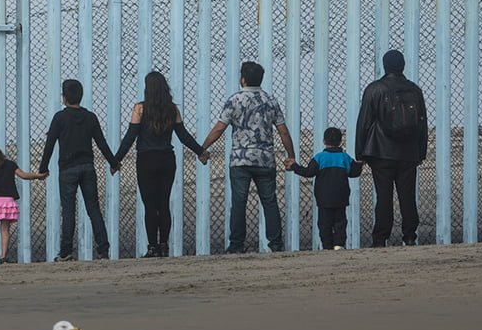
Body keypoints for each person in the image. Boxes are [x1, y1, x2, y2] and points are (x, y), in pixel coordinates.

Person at [198, 61, 297, 254]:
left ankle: (237, 244)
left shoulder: (234, 100)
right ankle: (275, 244)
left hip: (240, 160)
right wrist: (290, 155)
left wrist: (203, 148)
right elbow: (283, 131)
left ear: (243, 79)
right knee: (269, 201)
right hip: (265, 159)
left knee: (239, 202)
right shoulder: (270, 101)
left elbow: (220, 128)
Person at [110, 71, 209, 258]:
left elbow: (130, 137)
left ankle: (152, 247)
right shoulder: (172, 110)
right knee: (163, 203)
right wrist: (200, 152)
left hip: (146, 160)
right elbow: (183, 135)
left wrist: (116, 161)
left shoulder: (139, 109)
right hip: (166, 159)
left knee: (150, 205)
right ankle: (164, 245)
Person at [355, 49, 429, 247]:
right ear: (402, 66)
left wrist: (360, 153)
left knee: (384, 196)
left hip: (381, 152)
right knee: (407, 195)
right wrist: (421, 151)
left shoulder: (374, 89)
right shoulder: (414, 90)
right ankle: (410, 235)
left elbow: (364, 122)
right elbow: (422, 124)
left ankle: (381, 237)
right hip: (408, 152)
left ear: (385, 66)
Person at [38, 79, 117, 262]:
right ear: (81, 96)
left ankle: (66, 251)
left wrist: (43, 169)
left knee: (68, 210)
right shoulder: (90, 117)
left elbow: (49, 145)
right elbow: (101, 143)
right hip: (88, 167)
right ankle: (103, 249)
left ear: (64, 98)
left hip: (67, 169)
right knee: (93, 208)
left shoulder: (59, 118)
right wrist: (113, 163)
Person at [289, 127, 365, 250]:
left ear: (324, 141)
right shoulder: (345, 158)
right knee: (340, 222)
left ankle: (327, 246)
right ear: (340, 141)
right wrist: (360, 164)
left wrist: (294, 166)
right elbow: (354, 172)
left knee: (324, 224)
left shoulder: (320, 158)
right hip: (341, 197)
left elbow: (308, 172)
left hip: (324, 199)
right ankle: (339, 245)